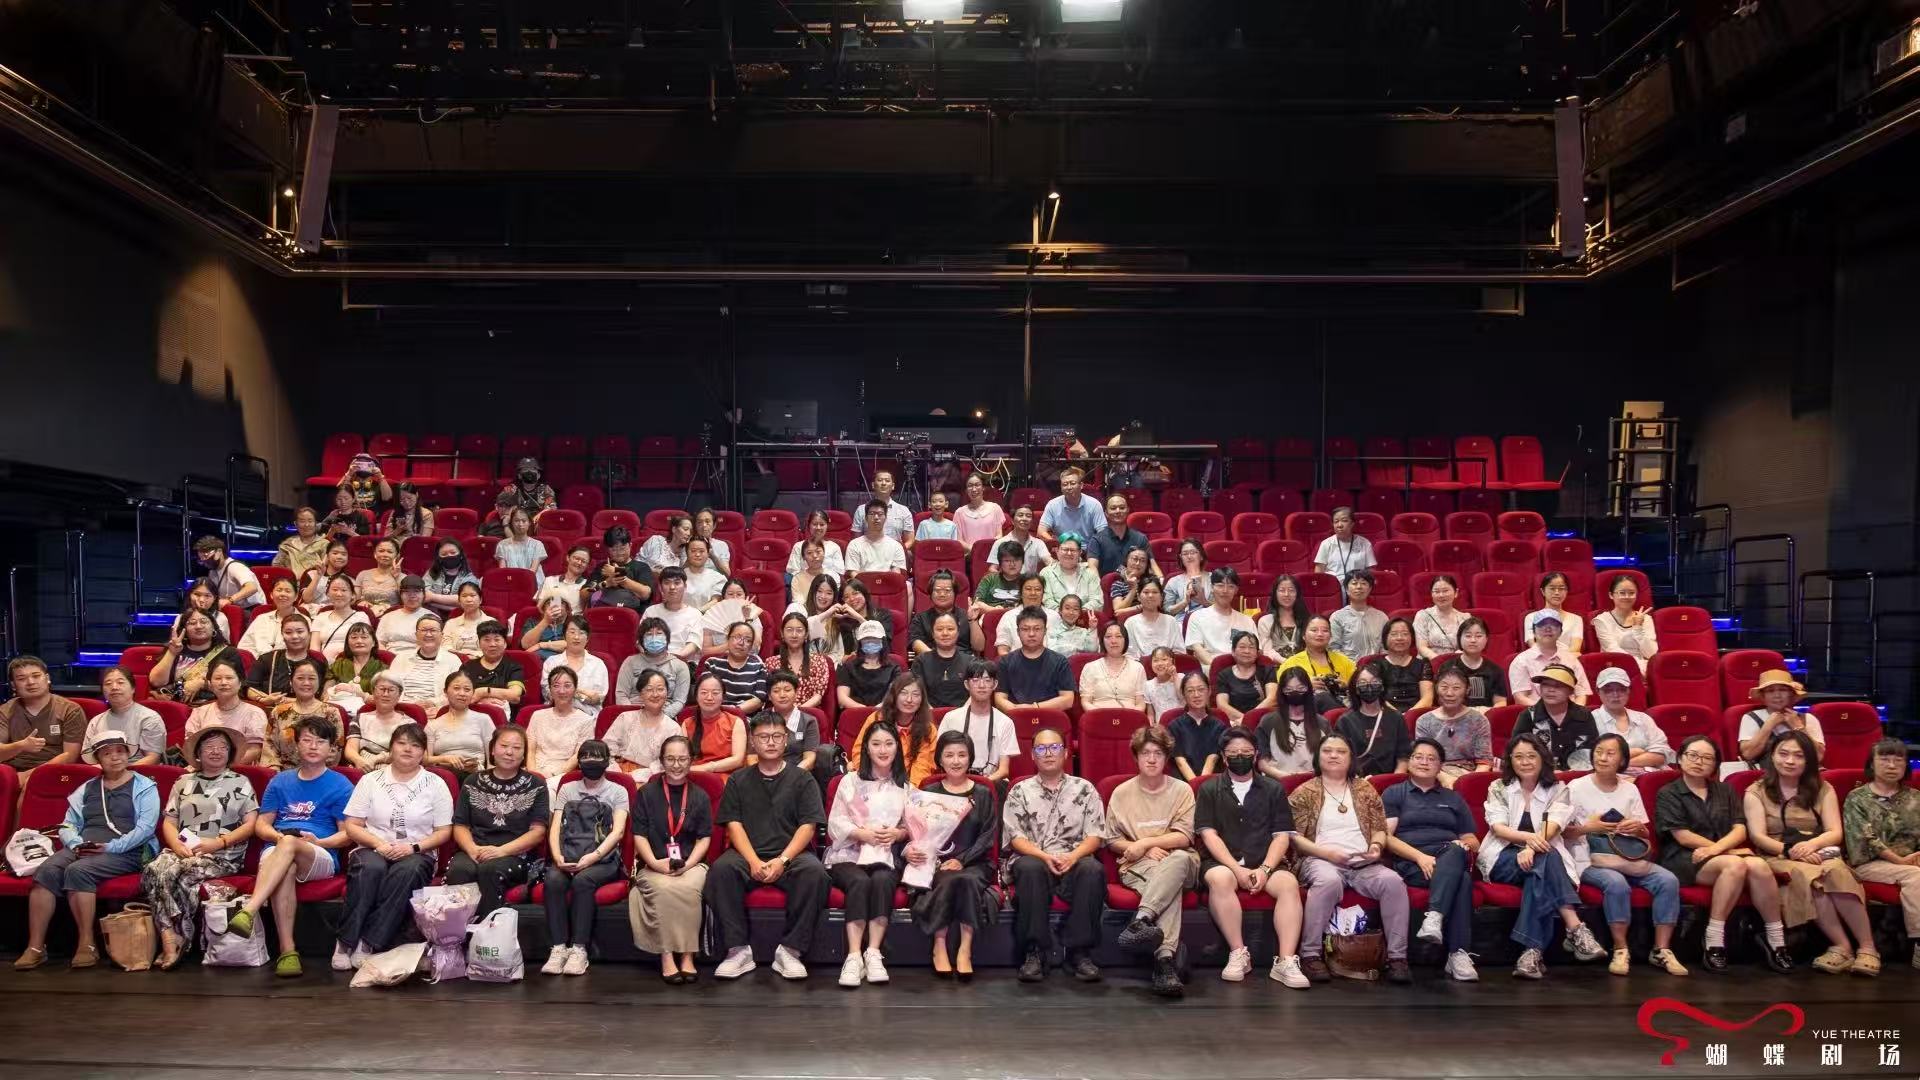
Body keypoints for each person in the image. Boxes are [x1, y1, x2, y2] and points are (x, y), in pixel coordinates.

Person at [13, 731, 160, 971]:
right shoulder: (87, 788)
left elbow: (145, 829)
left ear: (128, 754)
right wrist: (75, 844)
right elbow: (68, 824)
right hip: (86, 844)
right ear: (98, 759)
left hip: (127, 849)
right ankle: (35, 947)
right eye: (107, 753)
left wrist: (111, 847)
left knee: (78, 870)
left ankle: (87, 943)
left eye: (120, 751)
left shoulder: (144, 786)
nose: (115, 757)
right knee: (46, 870)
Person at [223, 717, 355, 976]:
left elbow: (347, 835)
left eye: (320, 741)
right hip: (279, 848)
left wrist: (318, 842)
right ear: (296, 745)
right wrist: (278, 838)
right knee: (287, 864)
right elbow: (262, 825)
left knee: (290, 844)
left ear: (331, 749)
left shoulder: (341, 784)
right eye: (307, 740)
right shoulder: (280, 781)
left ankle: (250, 909)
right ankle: (288, 952)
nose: (313, 746)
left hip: (318, 854)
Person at [706, 712, 832, 980]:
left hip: (791, 855)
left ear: (786, 740)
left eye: (777, 736)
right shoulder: (739, 780)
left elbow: (808, 826)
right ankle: (738, 951)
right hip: (747, 853)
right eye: (764, 737)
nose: (771, 742)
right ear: (753, 741)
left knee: (815, 874)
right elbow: (733, 825)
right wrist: (753, 861)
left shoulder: (802, 779)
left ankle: (790, 951)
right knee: (721, 871)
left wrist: (782, 860)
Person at [1743, 731, 1878, 975]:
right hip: (1777, 854)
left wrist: (1811, 846)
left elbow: (1835, 832)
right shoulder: (1756, 791)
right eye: (1783, 754)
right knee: (1811, 878)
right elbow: (1758, 836)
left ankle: (1868, 948)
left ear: (1808, 760)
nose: (1790, 761)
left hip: (1817, 851)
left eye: (1798, 755)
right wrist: (1791, 851)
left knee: (1837, 872)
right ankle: (1842, 946)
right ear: (1772, 756)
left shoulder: (1823, 788)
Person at [1655, 734, 1791, 973]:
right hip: (1685, 858)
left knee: (1759, 866)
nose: (1699, 762)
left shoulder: (1725, 790)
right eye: (1692, 755)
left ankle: (1776, 939)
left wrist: (1717, 849)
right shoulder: (1668, 793)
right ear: (1680, 758)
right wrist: (1727, 851)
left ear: (1715, 763)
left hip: (1720, 853)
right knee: (1735, 865)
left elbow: (1740, 828)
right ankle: (1714, 938)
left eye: (1707, 758)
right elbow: (1683, 836)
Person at [1476, 733, 1608, 978]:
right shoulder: (1498, 787)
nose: (1525, 762)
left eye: (1531, 756)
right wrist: (1529, 841)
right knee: (1546, 859)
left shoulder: (1558, 789)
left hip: (1540, 855)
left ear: (1542, 758)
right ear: (1510, 760)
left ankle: (1531, 952)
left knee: (1538, 873)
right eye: (1518, 757)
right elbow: (1498, 827)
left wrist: (1531, 849)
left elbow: (1555, 824)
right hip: (1503, 856)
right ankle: (1575, 927)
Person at [1288, 733, 1412, 983]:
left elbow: (1379, 828)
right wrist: (1327, 853)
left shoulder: (1364, 789)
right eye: (1327, 751)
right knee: (1328, 881)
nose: (1333, 755)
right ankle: (1310, 955)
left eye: (1341, 751)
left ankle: (1397, 958)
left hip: (1363, 862)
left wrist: (1376, 846)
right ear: (1318, 757)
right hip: (1321, 859)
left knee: (1393, 882)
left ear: (1351, 757)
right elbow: (1293, 837)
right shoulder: (1304, 792)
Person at [135, 725, 257, 968]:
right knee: (153, 869)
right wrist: (176, 845)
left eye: (222, 747)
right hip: (184, 849)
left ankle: (175, 939)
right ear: (198, 753)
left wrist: (218, 842)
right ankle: (171, 936)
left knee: (174, 874)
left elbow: (251, 824)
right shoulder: (183, 781)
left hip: (223, 853)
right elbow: (169, 822)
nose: (216, 751)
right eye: (209, 747)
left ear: (230, 752)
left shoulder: (240, 782)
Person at [1196, 726, 1309, 987]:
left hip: (1266, 862)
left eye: (1246, 752)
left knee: (1288, 884)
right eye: (1233, 753)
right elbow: (1209, 835)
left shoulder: (1273, 789)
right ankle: (1238, 953)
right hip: (1224, 863)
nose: (1240, 756)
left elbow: (1281, 836)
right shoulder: (1209, 788)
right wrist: (1237, 869)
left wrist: (1265, 869)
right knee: (1220, 878)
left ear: (1256, 754)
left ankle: (1285, 961)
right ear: (1224, 757)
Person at [1566, 734, 1688, 975]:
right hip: (1589, 859)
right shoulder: (1575, 787)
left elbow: (1644, 834)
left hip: (1626, 856)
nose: (1602, 757)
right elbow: (1562, 832)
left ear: (1622, 760)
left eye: (1610, 753)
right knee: (1616, 883)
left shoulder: (1630, 788)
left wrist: (1637, 829)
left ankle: (1661, 949)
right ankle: (1621, 949)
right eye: (1598, 751)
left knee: (1668, 880)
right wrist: (1590, 828)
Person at [335, 723, 454, 969]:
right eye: (402, 743)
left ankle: (368, 942)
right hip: (372, 847)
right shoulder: (370, 780)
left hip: (417, 852)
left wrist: (413, 847)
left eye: (415, 745)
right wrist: (378, 843)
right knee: (371, 868)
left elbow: (444, 832)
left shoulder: (435, 783)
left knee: (407, 871)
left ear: (423, 753)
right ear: (391, 748)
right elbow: (352, 825)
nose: (408, 749)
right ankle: (345, 942)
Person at [1103, 725, 1202, 997]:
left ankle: (1141, 919)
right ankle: (1165, 962)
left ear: (1166, 757)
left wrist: (1146, 843)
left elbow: (1184, 836)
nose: (1151, 759)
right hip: (1139, 865)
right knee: (1170, 889)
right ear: (1136, 757)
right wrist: (1140, 850)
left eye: (1158, 753)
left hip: (1180, 860)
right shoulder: (1121, 793)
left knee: (1177, 861)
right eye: (1145, 753)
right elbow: (1111, 840)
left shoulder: (1182, 789)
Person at [1003, 727, 1107, 982]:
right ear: (1032, 755)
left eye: (1054, 747)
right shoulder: (1020, 790)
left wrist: (1073, 856)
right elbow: (1016, 838)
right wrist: (1043, 856)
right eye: (1041, 748)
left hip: (1074, 860)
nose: (1048, 753)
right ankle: (1035, 951)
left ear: (1066, 753)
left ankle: (1079, 952)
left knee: (1093, 869)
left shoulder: (1085, 789)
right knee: (1029, 868)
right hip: (1036, 859)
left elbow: (1096, 835)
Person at [1382, 737, 1482, 981]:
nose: (1424, 762)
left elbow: (1472, 840)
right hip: (1412, 863)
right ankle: (1457, 953)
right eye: (1418, 757)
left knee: (1456, 851)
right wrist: (1420, 857)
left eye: (1431, 758)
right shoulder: (1395, 793)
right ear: (1409, 762)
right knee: (1462, 880)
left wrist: (1465, 845)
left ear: (1440, 766)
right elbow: (1386, 838)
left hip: (1449, 856)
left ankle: (1435, 917)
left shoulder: (1453, 798)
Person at [827, 721, 914, 988]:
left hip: (884, 855)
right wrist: (861, 834)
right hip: (848, 854)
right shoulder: (850, 781)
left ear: (897, 748)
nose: (883, 750)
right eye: (876, 744)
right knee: (859, 881)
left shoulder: (904, 786)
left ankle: (873, 952)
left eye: (889, 744)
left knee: (883, 880)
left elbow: (911, 827)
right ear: (866, 748)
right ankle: (854, 956)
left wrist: (898, 834)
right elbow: (835, 824)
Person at [912, 731, 998, 980]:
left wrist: (962, 860)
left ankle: (965, 949)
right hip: (937, 862)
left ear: (970, 758)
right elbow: (919, 832)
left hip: (976, 862)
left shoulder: (983, 792)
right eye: (949, 755)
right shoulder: (929, 790)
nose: (956, 761)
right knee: (949, 878)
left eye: (962, 755)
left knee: (966, 879)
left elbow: (987, 836)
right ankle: (939, 944)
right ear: (940, 758)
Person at [630, 734, 713, 983]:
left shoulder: (700, 796)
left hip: (691, 864)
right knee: (664, 889)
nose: (677, 765)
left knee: (689, 888)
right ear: (662, 761)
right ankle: (666, 955)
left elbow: (704, 839)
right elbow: (639, 835)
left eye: (682, 759)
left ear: (691, 760)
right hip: (653, 864)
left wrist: (688, 865)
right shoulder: (646, 794)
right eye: (670, 759)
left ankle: (687, 955)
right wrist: (655, 863)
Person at [540, 739, 627, 976]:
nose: (592, 762)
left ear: (607, 762)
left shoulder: (618, 791)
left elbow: (618, 832)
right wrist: (557, 856)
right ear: (578, 761)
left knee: (583, 880)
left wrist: (593, 857)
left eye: (597, 757)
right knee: (553, 879)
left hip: (603, 858)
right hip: (568, 853)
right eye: (586, 757)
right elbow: (555, 827)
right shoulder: (567, 789)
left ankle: (579, 948)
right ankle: (558, 947)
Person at [446, 724, 549, 918]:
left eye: (517, 748)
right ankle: (456, 931)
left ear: (524, 754)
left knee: (490, 869)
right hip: (475, 848)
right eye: (504, 746)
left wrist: (501, 851)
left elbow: (538, 832)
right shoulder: (472, 781)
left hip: (515, 854)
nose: (509, 752)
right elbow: (460, 825)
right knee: (459, 870)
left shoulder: (536, 784)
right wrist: (472, 849)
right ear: (492, 749)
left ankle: (489, 930)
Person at [1842, 738, 1920, 972]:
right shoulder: (1857, 798)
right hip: (1870, 863)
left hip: (1912, 862)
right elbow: (1866, 839)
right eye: (1885, 759)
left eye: (1898, 760)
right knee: (1916, 877)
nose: (1892, 765)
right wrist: (1901, 861)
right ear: (1872, 763)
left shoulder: (1916, 798)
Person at [1, 655, 86, 777]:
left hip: (54, 772)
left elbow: (70, 756)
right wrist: (21, 746)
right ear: (13, 685)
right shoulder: (5, 710)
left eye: (36, 676)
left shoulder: (70, 710)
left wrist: (28, 776)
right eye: (22, 679)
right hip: (12, 771)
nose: (31, 682)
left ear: (47, 678)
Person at [850, 675, 939, 788]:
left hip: (906, 785)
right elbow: (860, 753)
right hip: (872, 781)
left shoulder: (928, 729)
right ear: (894, 695)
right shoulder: (876, 719)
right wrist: (874, 781)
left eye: (916, 694)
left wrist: (909, 790)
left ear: (922, 699)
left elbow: (923, 766)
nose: (909, 699)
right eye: (904, 693)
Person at [938, 659, 1019, 783]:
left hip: (991, 782)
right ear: (967, 684)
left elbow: (1003, 770)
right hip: (956, 781)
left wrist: (981, 784)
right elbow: (942, 761)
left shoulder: (1005, 722)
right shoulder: (951, 718)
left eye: (987, 680)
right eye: (975, 680)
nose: (982, 685)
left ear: (995, 684)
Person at [1732, 669, 1826, 773]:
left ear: (1792, 693)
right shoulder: (1751, 717)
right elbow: (1748, 754)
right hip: (1767, 776)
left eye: (1783, 690)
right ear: (1763, 696)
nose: (1777, 695)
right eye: (1770, 691)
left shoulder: (1808, 718)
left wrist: (1798, 727)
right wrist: (1768, 726)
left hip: (1806, 775)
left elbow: (1818, 756)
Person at [1511, 664, 1600, 771]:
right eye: (1545, 684)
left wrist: (1571, 773)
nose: (1550, 690)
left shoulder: (1584, 715)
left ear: (1570, 690)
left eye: (1558, 686)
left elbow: (1591, 752)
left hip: (1577, 775)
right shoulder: (1528, 716)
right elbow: (1517, 752)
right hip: (1538, 775)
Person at [1414, 667, 1494, 785]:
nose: (1449, 693)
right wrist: (1445, 779)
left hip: (1469, 775)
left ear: (1467, 690)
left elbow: (1484, 761)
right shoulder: (1424, 721)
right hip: (1434, 775)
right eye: (1444, 687)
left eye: (1456, 688)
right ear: (1436, 688)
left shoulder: (1479, 720)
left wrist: (1467, 783)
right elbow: (1424, 759)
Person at [184, 657, 268, 765]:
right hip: (204, 767)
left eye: (229, 678)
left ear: (240, 682)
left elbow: (254, 750)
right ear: (210, 684)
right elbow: (191, 747)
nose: (223, 682)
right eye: (218, 678)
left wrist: (221, 767)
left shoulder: (254, 713)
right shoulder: (199, 712)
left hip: (239, 769)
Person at [528, 666, 598, 794]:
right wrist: (533, 773)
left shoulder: (586, 720)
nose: (561, 691)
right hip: (534, 770)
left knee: (546, 792)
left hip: (563, 774)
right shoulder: (537, 716)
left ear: (575, 689)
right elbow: (530, 749)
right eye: (556, 686)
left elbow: (578, 756)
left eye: (567, 686)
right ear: (550, 689)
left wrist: (552, 774)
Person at [147, 609, 238, 707]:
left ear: (213, 627)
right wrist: (172, 652)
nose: (198, 626)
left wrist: (202, 684)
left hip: (211, 707)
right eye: (192, 623)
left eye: (204, 621)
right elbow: (156, 682)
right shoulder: (175, 648)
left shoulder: (228, 653)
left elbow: (236, 686)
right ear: (184, 630)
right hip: (174, 706)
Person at [1336, 664, 1412, 778]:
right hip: (1358, 780)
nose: (1369, 686)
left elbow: (1403, 757)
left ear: (1382, 686)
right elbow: (1341, 760)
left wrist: (1394, 780)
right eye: (1362, 683)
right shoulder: (1345, 721)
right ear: (1355, 689)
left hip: (1390, 779)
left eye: (1375, 682)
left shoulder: (1396, 718)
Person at [605, 669, 683, 778]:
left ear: (667, 693)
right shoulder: (625, 718)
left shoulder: (673, 729)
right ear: (641, 694)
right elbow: (606, 749)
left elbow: (669, 762)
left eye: (660, 689)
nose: (655, 694)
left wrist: (637, 776)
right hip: (617, 774)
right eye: (649, 689)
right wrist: (617, 773)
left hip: (651, 779)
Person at [1592, 667, 1672, 772]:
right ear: (1598, 692)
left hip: (1649, 776)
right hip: (1609, 777)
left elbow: (1661, 755)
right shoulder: (1590, 720)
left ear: (1628, 691)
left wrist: (1620, 763)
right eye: (1608, 690)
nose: (1615, 695)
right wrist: (1639, 752)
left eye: (1621, 689)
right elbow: (1593, 760)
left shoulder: (1643, 719)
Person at [1256, 667, 1331, 780]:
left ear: (1308, 689)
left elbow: (1330, 756)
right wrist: (1286, 778)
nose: (1294, 693)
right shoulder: (1268, 722)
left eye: (1301, 688)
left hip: (1315, 781)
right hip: (1279, 781)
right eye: (1288, 689)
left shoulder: (1322, 722)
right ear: (1281, 691)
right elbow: (1262, 763)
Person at [996, 606, 1075, 711]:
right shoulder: (1006, 662)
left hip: (1048, 715)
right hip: (1014, 715)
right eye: (1025, 629)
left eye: (1037, 629)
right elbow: (999, 698)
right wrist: (1017, 711)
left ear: (1045, 631)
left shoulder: (1060, 661)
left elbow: (1068, 699)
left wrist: (1034, 708)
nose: (1031, 634)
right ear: (1018, 632)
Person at [82, 667, 165, 766]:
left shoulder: (149, 718)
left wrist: (119, 771)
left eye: (120, 682)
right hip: (102, 772)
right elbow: (89, 759)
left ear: (133, 688)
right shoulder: (95, 721)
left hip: (138, 772)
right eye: (108, 684)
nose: (114, 687)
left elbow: (153, 758)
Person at [266, 656, 338, 769]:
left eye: (312, 678)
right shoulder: (279, 712)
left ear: (319, 682)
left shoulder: (330, 712)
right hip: (283, 774)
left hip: (318, 772)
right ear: (291, 682)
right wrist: (276, 773)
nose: (306, 683)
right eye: (300, 678)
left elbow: (335, 752)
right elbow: (269, 748)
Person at [1507, 613, 1592, 707]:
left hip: (1571, 713)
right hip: (1537, 713)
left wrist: (1575, 711)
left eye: (1554, 625)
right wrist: (1549, 711)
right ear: (1534, 632)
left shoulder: (1571, 659)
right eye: (1542, 625)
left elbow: (1581, 694)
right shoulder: (1521, 661)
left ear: (1560, 632)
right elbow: (1520, 698)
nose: (1548, 629)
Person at [1277, 615, 1355, 713]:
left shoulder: (1343, 660)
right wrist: (1305, 686)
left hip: (1343, 705)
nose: (1320, 634)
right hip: (1306, 712)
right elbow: (1282, 694)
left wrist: (1346, 686)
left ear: (1330, 636)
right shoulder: (1291, 664)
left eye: (1325, 631)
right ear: (1303, 635)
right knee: (1322, 697)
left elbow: (1358, 686)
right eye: (1314, 630)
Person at [616, 615, 693, 712]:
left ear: (667, 638)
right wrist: (632, 715)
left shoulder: (680, 666)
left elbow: (679, 701)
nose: (654, 638)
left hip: (664, 714)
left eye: (659, 633)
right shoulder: (630, 662)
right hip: (633, 712)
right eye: (649, 634)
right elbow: (621, 695)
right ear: (642, 640)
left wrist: (660, 717)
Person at [390, 612, 465, 711]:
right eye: (424, 630)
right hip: (401, 709)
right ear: (416, 635)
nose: (428, 634)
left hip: (434, 710)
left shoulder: (453, 660)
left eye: (433, 630)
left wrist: (434, 704)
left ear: (441, 635)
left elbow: (457, 692)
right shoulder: (401, 658)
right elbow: (390, 686)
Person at [243, 611, 318, 710]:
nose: (295, 636)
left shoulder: (317, 660)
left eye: (300, 632)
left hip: (311, 712)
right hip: (272, 710)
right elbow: (248, 688)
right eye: (288, 632)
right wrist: (262, 699)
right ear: (282, 635)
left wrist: (289, 701)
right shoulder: (267, 659)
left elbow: (323, 694)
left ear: (309, 634)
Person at [425, 670, 494, 774]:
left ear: (473, 693)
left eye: (467, 689)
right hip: (443, 776)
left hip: (476, 775)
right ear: (445, 692)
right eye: (456, 688)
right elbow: (426, 761)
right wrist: (444, 759)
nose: (462, 693)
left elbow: (493, 761)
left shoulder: (483, 719)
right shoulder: (432, 725)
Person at [1185, 567, 1257, 667]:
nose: (1225, 590)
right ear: (1211, 587)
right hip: (1211, 669)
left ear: (1236, 590)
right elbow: (1197, 648)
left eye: (1231, 586)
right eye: (1220, 585)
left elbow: (1255, 650)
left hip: (1241, 669)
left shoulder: (1247, 621)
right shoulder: (1197, 617)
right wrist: (1219, 668)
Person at [763, 671, 827, 779]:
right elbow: (752, 757)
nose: (782, 695)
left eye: (787, 690)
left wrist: (789, 776)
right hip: (765, 776)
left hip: (798, 776)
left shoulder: (809, 721)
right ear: (769, 696)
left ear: (796, 693)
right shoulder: (760, 720)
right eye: (776, 691)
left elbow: (809, 759)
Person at [1590, 573, 1659, 671]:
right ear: (1611, 595)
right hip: (1615, 667)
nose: (1627, 596)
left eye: (1631, 593)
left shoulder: (1645, 619)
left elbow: (1651, 653)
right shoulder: (1601, 620)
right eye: (1622, 593)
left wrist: (1638, 628)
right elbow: (1612, 650)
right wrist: (1639, 667)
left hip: (1643, 669)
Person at [683, 672, 748, 775]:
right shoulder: (687, 724)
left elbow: (738, 760)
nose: (709, 697)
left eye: (715, 693)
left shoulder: (735, 722)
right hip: (693, 776)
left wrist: (707, 768)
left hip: (725, 777)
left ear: (723, 696)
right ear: (696, 696)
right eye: (704, 692)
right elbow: (682, 758)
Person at [1163, 673, 1226, 779]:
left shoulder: (1219, 726)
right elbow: (1180, 762)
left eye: (1201, 689)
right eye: (1190, 691)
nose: (1196, 695)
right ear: (1183, 694)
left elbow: (1212, 760)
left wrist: (1201, 785)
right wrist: (1195, 784)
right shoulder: (1174, 726)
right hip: (1183, 783)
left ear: (1209, 691)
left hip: (1212, 782)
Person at [346, 671, 411, 769]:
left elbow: (407, 753)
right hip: (362, 767)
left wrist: (377, 759)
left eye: (391, 690)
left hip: (394, 769)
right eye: (381, 689)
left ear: (399, 694)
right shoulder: (360, 719)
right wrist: (358, 760)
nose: (386, 694)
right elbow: (350, 749)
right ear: (373, 692)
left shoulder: (408, 723)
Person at [911, 571, 985, 658]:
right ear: (930, 593)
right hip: (932, 659)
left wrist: (973, 620)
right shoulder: (920, 618)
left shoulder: (967, 616)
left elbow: (979, 647)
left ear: (955, 594)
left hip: (963, 660)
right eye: (937, 590)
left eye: (947, 590)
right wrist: (937, 659)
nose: (942, 594)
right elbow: (916, 643)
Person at [541, 615, 609, 709]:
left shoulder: (598, 664)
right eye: (572, 632)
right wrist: (580, 694)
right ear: (564, 636)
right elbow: (548, 694)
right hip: (558, 711)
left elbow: (598, 698)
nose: (576, 637)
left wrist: (570, 693)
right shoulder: (552, 662)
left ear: (587, 638)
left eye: (581, 633)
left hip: (588, 714)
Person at [1080, 622, 1148, 715]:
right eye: (1108, 636)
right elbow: (1086, 702)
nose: (1113, 641)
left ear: (1125, 640)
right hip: (1099, 718)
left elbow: (1141, 704)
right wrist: (1104, 717)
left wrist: (1129, 717)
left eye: (1118, 636)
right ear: (1102, 641)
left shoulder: (1137, 667)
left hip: (1130, 718)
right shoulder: (1090, 667)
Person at [836, 618, 903, 710]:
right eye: (866, 639)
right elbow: (842, 698)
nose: (871, 642)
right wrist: (864, 710)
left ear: (882, 641)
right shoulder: (847, 667)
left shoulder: (894, 669)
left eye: (875, 638)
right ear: (860, 642)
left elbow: (893, 696)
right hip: (855, 711)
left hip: (884, 712)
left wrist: (876, 710)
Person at [913, 611, 975, 708]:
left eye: (950, 629)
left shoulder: (971, 662)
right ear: (933, 634)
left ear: (958, 632)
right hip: (929, 714)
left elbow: (976, 693)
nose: (945, 633)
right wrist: (932, 714)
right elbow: (916, 692)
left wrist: (961, 713)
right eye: (939, 629)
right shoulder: (921, 661)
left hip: (963, 714)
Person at [640, 567, 703, 663]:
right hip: (652, 661)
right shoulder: (651, 611)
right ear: (660, 588)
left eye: (677, 583)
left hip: (683, 662)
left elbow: (694, 644)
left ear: (685, 586)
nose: (672, 587)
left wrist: (670, 659)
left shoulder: (695, 614)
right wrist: (652, 658)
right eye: (667, 583)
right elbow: (640, 640)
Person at [1212, 630, 1276, 724]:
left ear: (1257, 653)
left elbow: (1272, 699)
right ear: (1233, 651)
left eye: (1251, 647)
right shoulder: (1224, 675)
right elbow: (1222, 705)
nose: (1247, 651)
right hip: (1235, 722)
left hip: (1263, 720)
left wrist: (1248, 719)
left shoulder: (1267, 670)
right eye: (1242, 647)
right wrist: (1244, 720)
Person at [1444, 617, 1509, 708]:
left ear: (1486, 639)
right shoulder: (1448, 667)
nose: (1473, 640)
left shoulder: (1495, 670)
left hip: (1486, 714)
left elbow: (1501, 702)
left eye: (1478, 636)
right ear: (1459, 638)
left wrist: (1485, 712)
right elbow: (1444, 701)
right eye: (1468, 636)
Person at [1085, 493, 1156, 577]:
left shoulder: (1140, 539)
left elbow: (1153, 566)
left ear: (1128, 510)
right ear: (1106, 513)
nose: (1118, 511)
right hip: (1106, 585)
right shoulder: (1097, 540)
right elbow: (1092, 568)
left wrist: (1161, 580)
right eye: (1113, 508)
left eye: (1122, 508)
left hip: (1136, 583)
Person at [460, 619, 526, 708]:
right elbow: (459, 694)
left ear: (505, 644)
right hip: (472, 712)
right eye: (487, 640)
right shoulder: (468, 666)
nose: (492, 644)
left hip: (505, 714)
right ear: (479, 644)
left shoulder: (513, 667)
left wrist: (483, 692)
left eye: (497, 639)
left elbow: (515, 695)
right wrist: (481, 701)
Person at [325, 622, 386, 717]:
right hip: (337, 714)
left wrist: (360, 694)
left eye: (364, 637)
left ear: (374, 642)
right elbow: (325, 696)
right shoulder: (338, 665)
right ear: (348, 643)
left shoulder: (382, 669)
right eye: (354, 637)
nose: (359, 641)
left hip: (370, 715)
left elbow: (384, 700)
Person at [1374, 618, 1434, 713]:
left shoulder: (1423, 665)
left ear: (1412, 638)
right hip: (1385, 714)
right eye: (1394, 634)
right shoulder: (1376, 665)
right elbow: (1376, 697)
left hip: (1416, 715)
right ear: (1385, 638)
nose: (1399, 638)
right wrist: (1397, 716)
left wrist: (1409, 715)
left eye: (1405, 634)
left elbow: (1427, 698)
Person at [709, 621, 769, 714]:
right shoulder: (712, 663)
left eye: (748, 640)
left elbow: (759, 700)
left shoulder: (759, 667)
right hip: (714, 714)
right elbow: (705, 693)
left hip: (745, 716)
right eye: (737, 637)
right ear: (728, 639)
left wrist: (732, 712)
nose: (741, 643)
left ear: (751, 646)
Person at [592, 525, 656, 611]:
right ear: (608, 550)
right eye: (614, 550)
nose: (619, 553)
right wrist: (606, 583)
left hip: (631, 614)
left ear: (630, 545)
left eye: (622, 548)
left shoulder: (641, 567)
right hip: (603, 612)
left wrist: (617, 574)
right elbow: (584, 593)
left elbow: (645, 594)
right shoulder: (602, 567)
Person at [1327, 569, 1386, 662]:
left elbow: (1385, 647)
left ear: (1370, 589)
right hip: (1348, 667)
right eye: (1354, 583)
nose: (1359, 587)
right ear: (1346, 589)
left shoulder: (1381, 617)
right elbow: (1333, 648)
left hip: (1377, 667)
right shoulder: (1338, 617)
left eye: (1363, 583)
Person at [309, 573, 370, 662]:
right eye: (335, 590)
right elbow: (314, 649)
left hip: (353, 663)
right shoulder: (320, 617)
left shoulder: (361, 617)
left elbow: (366, 646)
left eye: (344, 590)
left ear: (352, 595)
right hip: (325, 666)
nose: (339, 594)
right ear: (327, 593)